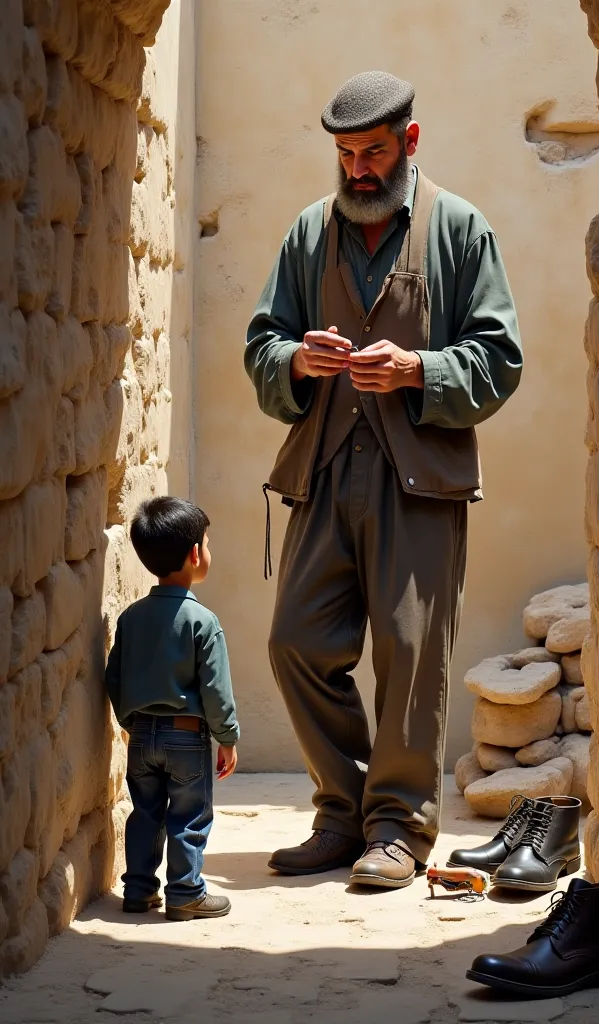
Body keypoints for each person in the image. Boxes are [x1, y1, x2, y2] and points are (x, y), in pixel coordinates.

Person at [245, 71, 522, 889]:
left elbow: (499, 357)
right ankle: (342, 811)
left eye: (371, 152)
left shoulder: (461, 229)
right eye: (344, 154)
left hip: (420, 480)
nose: (357, 169)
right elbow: (263, 342)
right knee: (294, 640)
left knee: (410, 652)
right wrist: (296, 358)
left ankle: (399, 828)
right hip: (325, 470)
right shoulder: (308, 233)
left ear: (410, 141)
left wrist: (419, 371)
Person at [105, 496, 240, 920]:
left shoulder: (131, 618)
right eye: (208, 542)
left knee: (145, 814)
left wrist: (131, 722)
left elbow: (114, 677)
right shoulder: (203, 622)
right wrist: (227, 737)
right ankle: (185, 893)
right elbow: (215, 689)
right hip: (187, 737)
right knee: (189, 815)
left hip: (142, 735)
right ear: (196, 554)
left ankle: (139, 891)